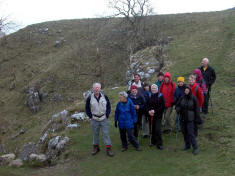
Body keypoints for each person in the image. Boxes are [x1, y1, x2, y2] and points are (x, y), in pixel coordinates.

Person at [85, 83, 114, 157]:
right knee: (95, 134)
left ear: (100, 89)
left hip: (104, 118)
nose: (96, 89)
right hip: (94, 119)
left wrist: (107, 115)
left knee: (106, 134)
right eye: (95, 88)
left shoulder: (104, 96)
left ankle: (108, 149)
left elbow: (109, 106)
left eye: (98, 88)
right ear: (93, 89)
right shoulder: (89, 98)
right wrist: (90, 116)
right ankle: (96, 148)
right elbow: (87, 108)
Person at [176, 86, 202, 155]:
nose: (186, 92)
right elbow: (177, 105)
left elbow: (197, 109)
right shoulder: (182, 97)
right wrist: (178, 109)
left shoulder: (193, 98)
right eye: (185, 91)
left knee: (191, 133)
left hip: (190, 119)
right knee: (184, 132)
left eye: (187, 90)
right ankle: (187, 145)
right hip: (183, 118)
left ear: (189, 91)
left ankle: (195, 147)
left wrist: (198, 119)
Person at [147, 84, 165, 150]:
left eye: (155, 88)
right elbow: (147, 105)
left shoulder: (160, 96)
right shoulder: (149, 95)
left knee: (157, 129)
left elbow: (162, 106)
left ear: (157, 89)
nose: (153, 89)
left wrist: (155, 111)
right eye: (152, 88)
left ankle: (159, 143)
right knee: (152, 128)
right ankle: (153, 141)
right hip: (151, 115)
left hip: (158, 115)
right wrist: (149, 111)